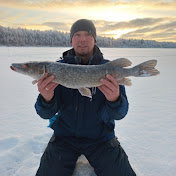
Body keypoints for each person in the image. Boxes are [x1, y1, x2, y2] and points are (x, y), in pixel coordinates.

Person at [35, 19, 136, 176]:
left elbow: (120, 114)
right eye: (77, 35)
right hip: (64, 139)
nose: (82, 39)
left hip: (101, 139)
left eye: (88, 35)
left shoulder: (109, 69)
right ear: (71, 40)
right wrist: (46, 99)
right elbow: (45, 114)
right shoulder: (56, 69)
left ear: (95, 39)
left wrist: (115, 100)